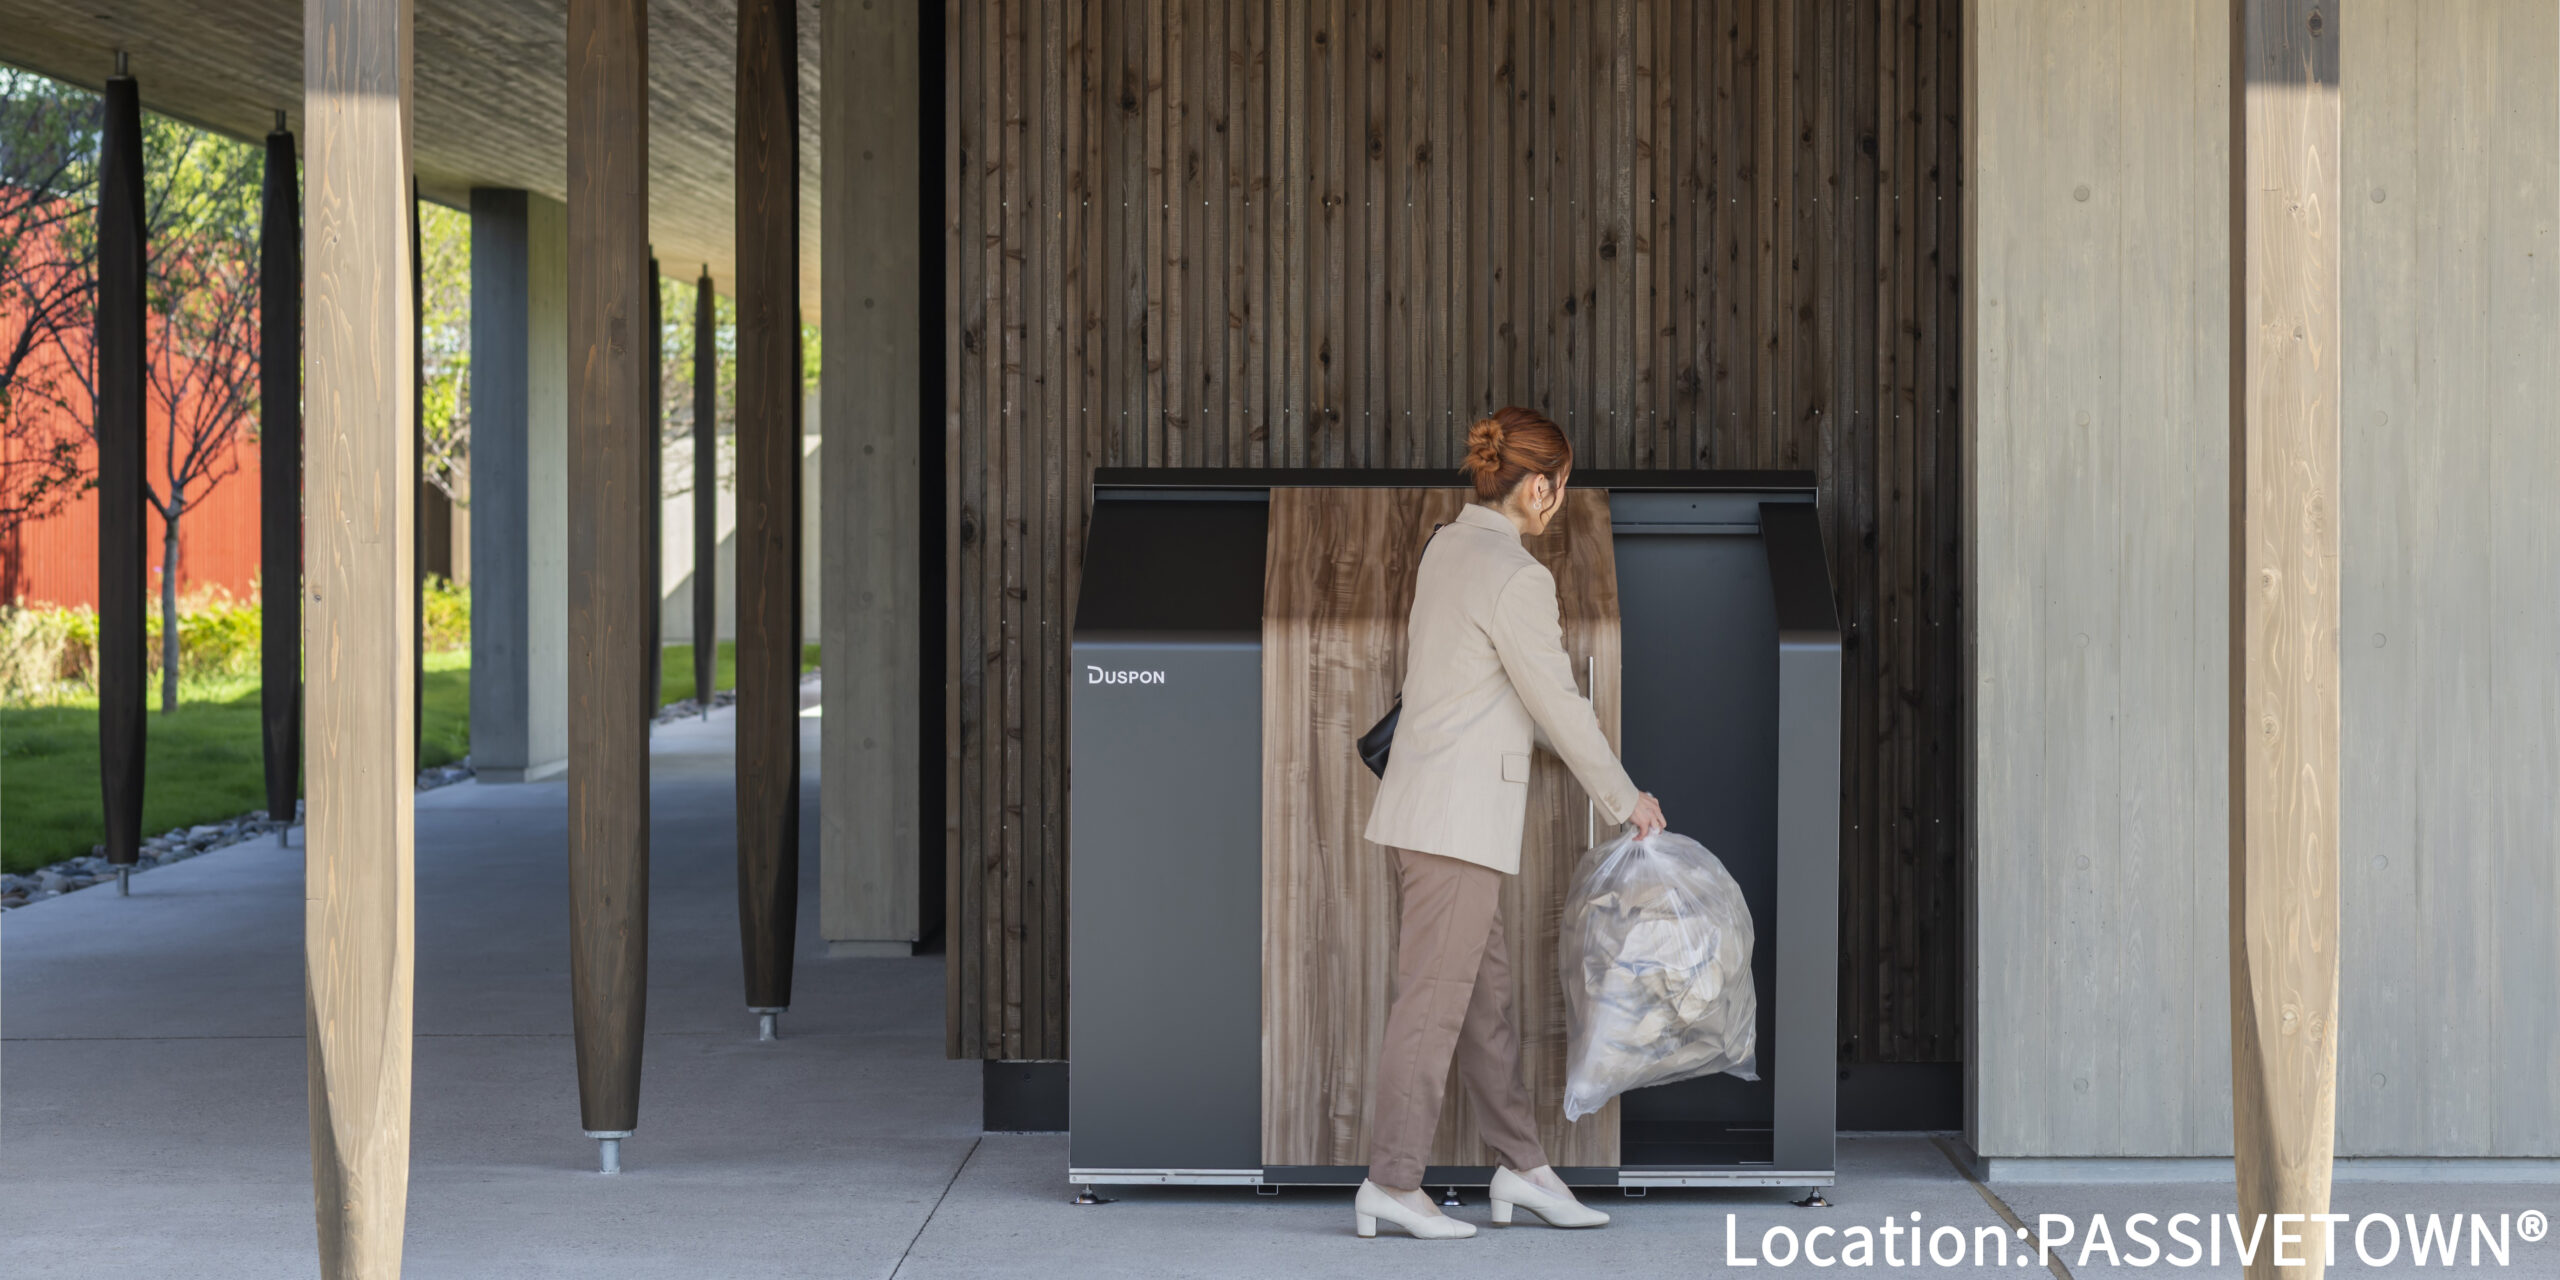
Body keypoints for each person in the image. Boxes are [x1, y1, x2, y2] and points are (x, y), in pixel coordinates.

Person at [1352, 406, 1668, 1241]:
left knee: (1481, 1004)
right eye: (1561, 486)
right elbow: (1556, 702)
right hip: (1454, 827)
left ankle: (1521, 1167)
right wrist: (1624, 798)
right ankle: (1392, 1182)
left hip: (1433, 815)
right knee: (1432, 1008)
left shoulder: (1447, 546)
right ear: (1540, 487)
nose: (1559, 500)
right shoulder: (1516, 576)